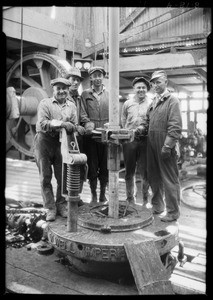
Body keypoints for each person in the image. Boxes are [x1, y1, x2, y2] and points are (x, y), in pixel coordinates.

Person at [33, 77, 79, 222]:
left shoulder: (72, 106)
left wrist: (76, 128)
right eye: (58, 88)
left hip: (62, 143)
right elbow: (43, 123)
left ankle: (61, 205)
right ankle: (50, 208)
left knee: (62, 177)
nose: (61, 91)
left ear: (67, 90)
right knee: (45, 178)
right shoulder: (45, 103)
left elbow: (74, 125)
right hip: (44, 142)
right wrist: (62, 124)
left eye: (64, 88)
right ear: (53, 90)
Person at [146, 70, 182, 222]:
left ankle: (173, 212)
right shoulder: (153, 101)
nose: (155, 85)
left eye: (158, 82)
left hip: (164, 143)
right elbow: (148, 121)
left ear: (166, 82)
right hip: (151, 143)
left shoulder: (172, 100)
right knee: (154, 177)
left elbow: (175, 126)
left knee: (169, 179)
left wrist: (167, 146)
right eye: (153, 83)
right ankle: (157, 206)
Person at [80, 66, 109, 204]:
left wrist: (110, 126)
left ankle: (103, 194)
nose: (97, 78)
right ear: (90, 78)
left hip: (106, 137)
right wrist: (89, 125)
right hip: (91, 137)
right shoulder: (85, 94)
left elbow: (114, 113)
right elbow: (83, 114)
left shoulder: (109, 94)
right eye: (94, 75)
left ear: (103, 77)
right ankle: (93, 195)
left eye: (100, 75)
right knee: (92, 167)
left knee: (105, 167)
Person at [121, 77, 151, 205]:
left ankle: (145, 200)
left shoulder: (151, 103)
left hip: (145, 141)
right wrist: (127, 133)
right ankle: (130, 199)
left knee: (145, 172)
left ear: (147, 89)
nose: (141, 90)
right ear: (134, 89)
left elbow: (151, 122)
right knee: (129, 171)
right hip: (129, 141)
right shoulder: (127, 104)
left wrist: (142, 129)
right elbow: (123, 120)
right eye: (138, 87)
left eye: (143, 87)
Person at [65, 67, 86, 206]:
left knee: (79, 167)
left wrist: (88, 123)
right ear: (68, 80)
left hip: (77, 139)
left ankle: (76, 196)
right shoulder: (62, 97)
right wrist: (74, 125)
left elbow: (83, 115)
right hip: (65, 139)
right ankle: (66, 199)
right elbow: (61, 117)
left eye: (78, 80)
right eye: (73, 79)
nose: (76, 82)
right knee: (67, 169)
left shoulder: (78, 98)